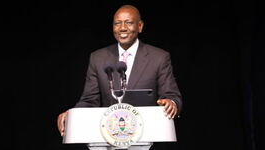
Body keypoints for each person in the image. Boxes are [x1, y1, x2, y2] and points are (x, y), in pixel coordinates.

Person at [57, 4, 182, 141]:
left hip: (146, 136)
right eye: (117, 23)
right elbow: (89, 100)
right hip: (109, 137)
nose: (122, 28)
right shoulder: (97, 58)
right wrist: (71, 114)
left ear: (140, 26)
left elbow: (171, 95)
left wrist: (172, 103)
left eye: (128, 23)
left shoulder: (159, 57)